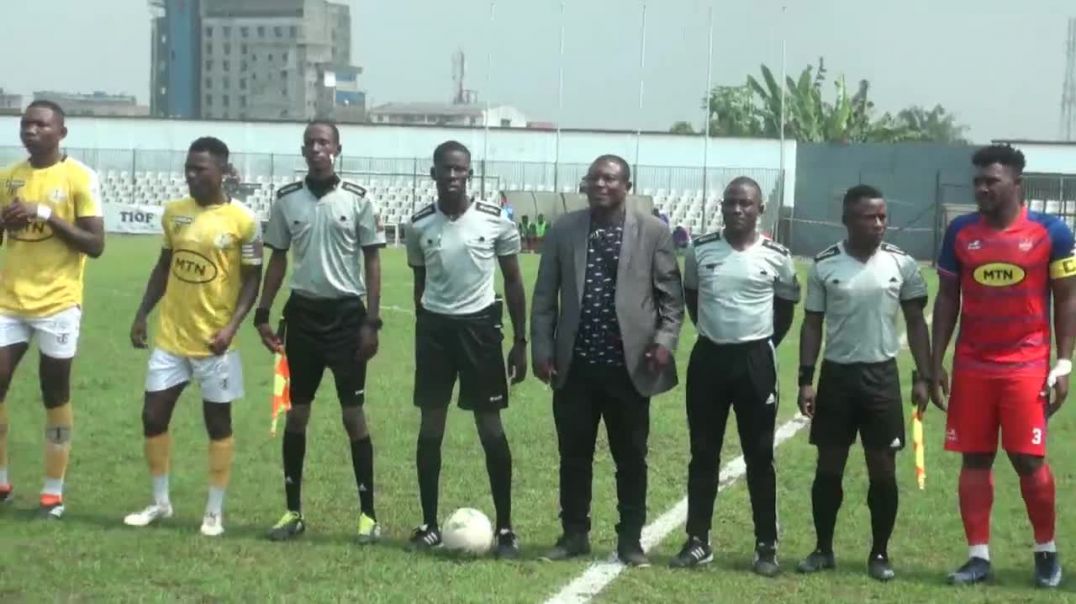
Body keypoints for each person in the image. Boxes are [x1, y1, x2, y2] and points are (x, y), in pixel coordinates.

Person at [931, 144, 1075, 588]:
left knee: (1028, 459)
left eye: (991, 181)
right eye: (977, 181)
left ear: (1017, 184)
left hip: (1026, 365)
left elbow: (1067, 298)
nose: (982, 188)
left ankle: (1046, 554)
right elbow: (948, 298)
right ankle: (978, 557)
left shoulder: (1052, 232)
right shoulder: (959, 232)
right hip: (973, 365)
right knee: (974, 459)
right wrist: (936, 362)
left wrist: (1064, 363)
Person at [532, 154, 684, 567]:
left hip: (630, 367)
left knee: (630, 458)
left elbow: (671, 300)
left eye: (610, 178)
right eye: (595, 178)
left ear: (626, 186)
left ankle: (630, 541)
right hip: (575, 366)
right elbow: (545, 297)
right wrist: (541, 349)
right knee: (574, 456)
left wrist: (664, 341)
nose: (601, 184)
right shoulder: (565, 230)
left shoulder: (653, 232)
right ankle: (574, 534)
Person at [254, 121, 386, 543]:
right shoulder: (286, 201)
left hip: (347, 319)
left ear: (337, 149)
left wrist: (371, 321)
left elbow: (373, 261)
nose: (317, 148)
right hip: (302, 319)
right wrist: (263, 312)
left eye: (324, 142)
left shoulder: (358, 200)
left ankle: (368, 516)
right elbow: (277, 259)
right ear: (303, 149)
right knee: (297, 415)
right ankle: (292, 512)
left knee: (353, 417)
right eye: (310, 142)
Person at [124, 137, 262, 536]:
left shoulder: (244, 221)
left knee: (217, 424)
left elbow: (252, 280)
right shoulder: (174, 214)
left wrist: (231, 327)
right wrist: (141, 314)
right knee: (152, 416)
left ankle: (213, 512)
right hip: (171, 338)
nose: (191, 175)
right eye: (188, 167)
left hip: (215, 343)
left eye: (200, 169)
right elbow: (164, 265)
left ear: (222, 172)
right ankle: (160, 502)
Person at [794, 185, 931, 581]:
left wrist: (923, 376)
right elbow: (812, 324)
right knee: (829, 466)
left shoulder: (902, 264)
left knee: (883, 469)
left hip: (881, 377)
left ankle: (880, 554)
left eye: (882, 216)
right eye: (868, 217)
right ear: (847, 220)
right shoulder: (824, 265)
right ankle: (823, 549)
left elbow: (916, 323)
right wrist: (806, 379)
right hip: (837, 376)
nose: (878, 224)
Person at [404, 140, 527, 558]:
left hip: (480, 331)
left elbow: (512, 281)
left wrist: (520, 340)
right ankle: (428, 524)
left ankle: (507, 528)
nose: (453, 176)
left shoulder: (495, 221)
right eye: (446, 169)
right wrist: (426, 327)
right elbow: (419, 285)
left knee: (490, 428)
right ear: (433, 172)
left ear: (469, 174)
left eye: (460, 170)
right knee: (430, 427)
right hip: (436, 332)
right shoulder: (419, 225)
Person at [672, 176, 799, 576]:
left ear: (760, 209)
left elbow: (785, 311)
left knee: (759, 455)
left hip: (755, 361)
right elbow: (693, 299)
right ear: (722, 207)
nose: (737, 210)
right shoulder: (701, 251)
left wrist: (757, 345)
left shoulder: (778, 256)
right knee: (703, 453)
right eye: (730, 203)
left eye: (745, 203)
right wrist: (719, 333)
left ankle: (766, 545)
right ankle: (698, 540)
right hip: (709, 359)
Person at [0, 100, 105, 519]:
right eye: (26, 124)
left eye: (41, 125)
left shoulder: (79, 177)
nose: (31, 131)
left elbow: (95, 245)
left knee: (54, 391)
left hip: (58, 302)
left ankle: (52, 492)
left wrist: (46, 214)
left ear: (62, 132)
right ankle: (2, 480)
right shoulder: (9, 177)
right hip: (8, 300)